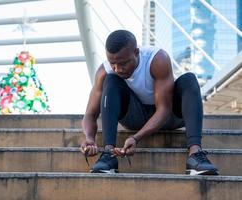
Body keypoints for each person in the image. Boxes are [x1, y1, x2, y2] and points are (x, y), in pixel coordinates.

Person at [80, 29, 218, 175]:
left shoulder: (157, 59)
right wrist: (89, 138)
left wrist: (136, 138)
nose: (118, 68)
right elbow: (89, 114)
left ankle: (195, 155)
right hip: (134, 116)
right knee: (111, 80)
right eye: (112, 63)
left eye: (123, 63)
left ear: (136, 52)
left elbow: (164, 109)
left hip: (169, 116)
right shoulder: (105, 71)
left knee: (189, 79)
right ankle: (108, 155)